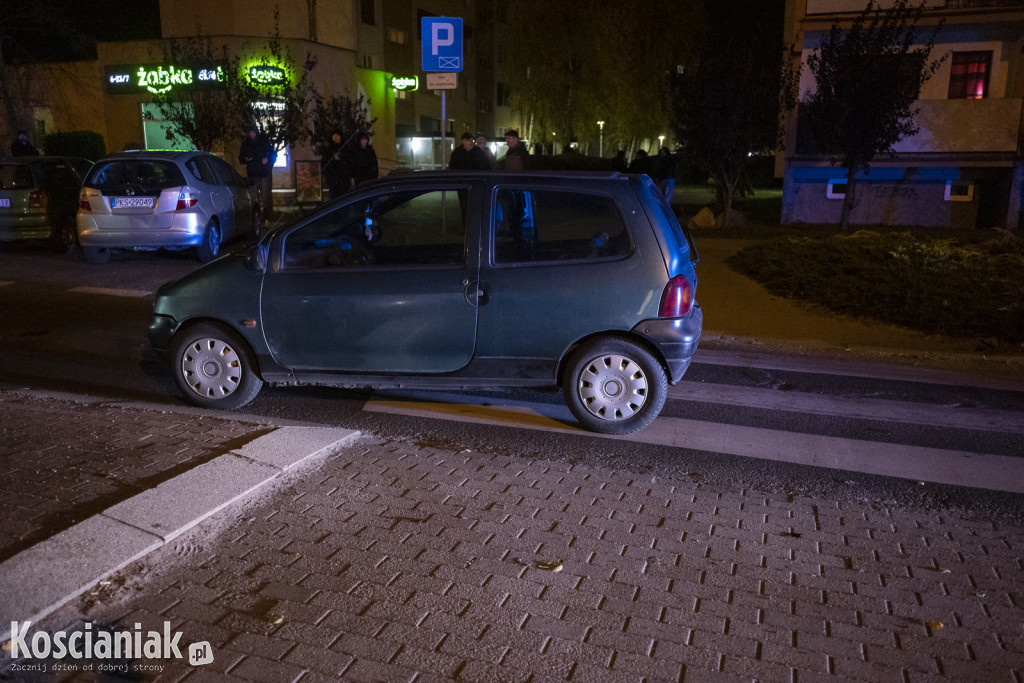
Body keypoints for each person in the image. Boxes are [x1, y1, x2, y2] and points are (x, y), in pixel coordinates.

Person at [239, 125, 275, 218]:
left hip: (263, 173)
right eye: (250, 133)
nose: (252, 135)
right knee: (255, 198)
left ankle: (267, 217)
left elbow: (273, 154)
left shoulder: (263, 141)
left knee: (265, 196)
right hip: (252, 173)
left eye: (253, 133)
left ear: (256, 132)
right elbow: (241, 158)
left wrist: (267, 159)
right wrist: (245, 159)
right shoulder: (246, 143)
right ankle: (257, 218)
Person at [322, 130, 351, 199]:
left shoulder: (345, 149)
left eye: (338, 136)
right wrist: (329, 178)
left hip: (344, 181)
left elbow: (349, 163)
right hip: (333, 181)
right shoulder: (328, 150)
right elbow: (324, 164)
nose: (337, 138)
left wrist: (340, 160)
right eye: (334, 136)